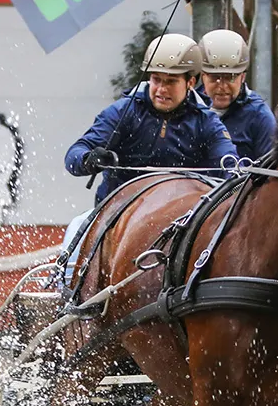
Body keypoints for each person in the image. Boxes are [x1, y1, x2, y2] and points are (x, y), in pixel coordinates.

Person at [60, 33, 238, 281]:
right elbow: (74, 154)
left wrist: (235, 173)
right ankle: (66, 298)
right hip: (117, 214)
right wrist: (89, 159)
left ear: (190, 82)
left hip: (182, 221)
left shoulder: (206, 122)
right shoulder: (124, 111)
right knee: (77, 229)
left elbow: (228, 164)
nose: (161, 89)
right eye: (156, 80)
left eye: (171, 82)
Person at [196, 29, 276, 161]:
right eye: (214, 77)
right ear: (202, 76)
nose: (222, 86)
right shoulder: (189, 108)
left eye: (230, 78)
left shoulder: (259, 116)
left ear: (243, 77)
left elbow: (271, 174)